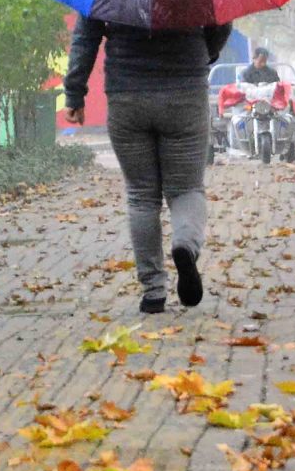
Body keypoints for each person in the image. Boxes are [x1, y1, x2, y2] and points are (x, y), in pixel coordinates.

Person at [64, 17, 230, 314]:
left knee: (141, 196)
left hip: (127, 94)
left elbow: (85, 37)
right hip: (185, 90)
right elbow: (222, 22)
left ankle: (153, 291)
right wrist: (205, 53)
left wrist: (75, 92)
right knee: (186, 189)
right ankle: (185, 245)